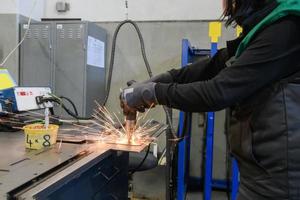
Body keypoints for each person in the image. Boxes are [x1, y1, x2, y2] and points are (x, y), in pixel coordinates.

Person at [120, 0, 300, 199]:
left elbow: (218, 92)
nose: (224, 5)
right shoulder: (264, 28)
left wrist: (153, 93)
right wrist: (162, 79)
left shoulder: (287, 28)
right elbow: (213, 65)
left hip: (283, 183)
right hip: (260, 174)